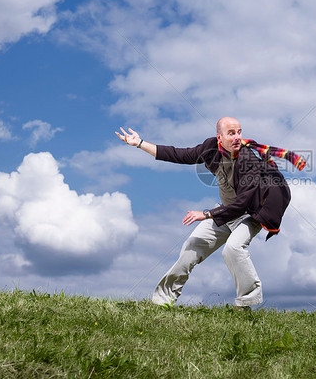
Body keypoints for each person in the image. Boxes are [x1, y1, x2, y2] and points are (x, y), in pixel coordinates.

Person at [115, 117, 305, 308]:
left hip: (249, 214)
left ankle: (245, 303)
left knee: (233, 249)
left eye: (239, 132)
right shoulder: (210, 148)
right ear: (219, 137)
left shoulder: (248, 160)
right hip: (223, 212)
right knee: (190, 247)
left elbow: (242, 203)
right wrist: (140, 143)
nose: (237, 137)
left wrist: (206, 214)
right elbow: (178, 154)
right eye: (232, 133)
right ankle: (162, 300)